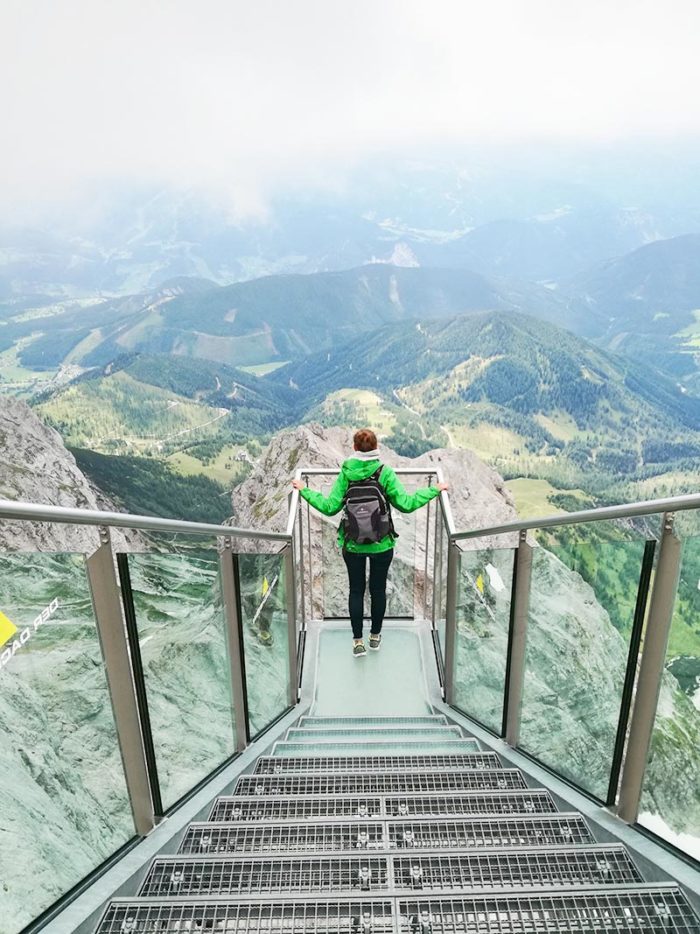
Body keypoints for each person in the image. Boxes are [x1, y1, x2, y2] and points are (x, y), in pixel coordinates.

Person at [292, 428, 448, 657]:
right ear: (376, 449)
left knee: (356, 591)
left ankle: (357, 642)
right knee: (378, 590)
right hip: (382, 544)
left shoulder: (346, 472)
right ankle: (375, 636)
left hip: (353, 545)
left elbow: (329, 506)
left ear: (354, 448)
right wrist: (434, 490)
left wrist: (305, 491)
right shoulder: (385, 473)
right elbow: (406, 503)